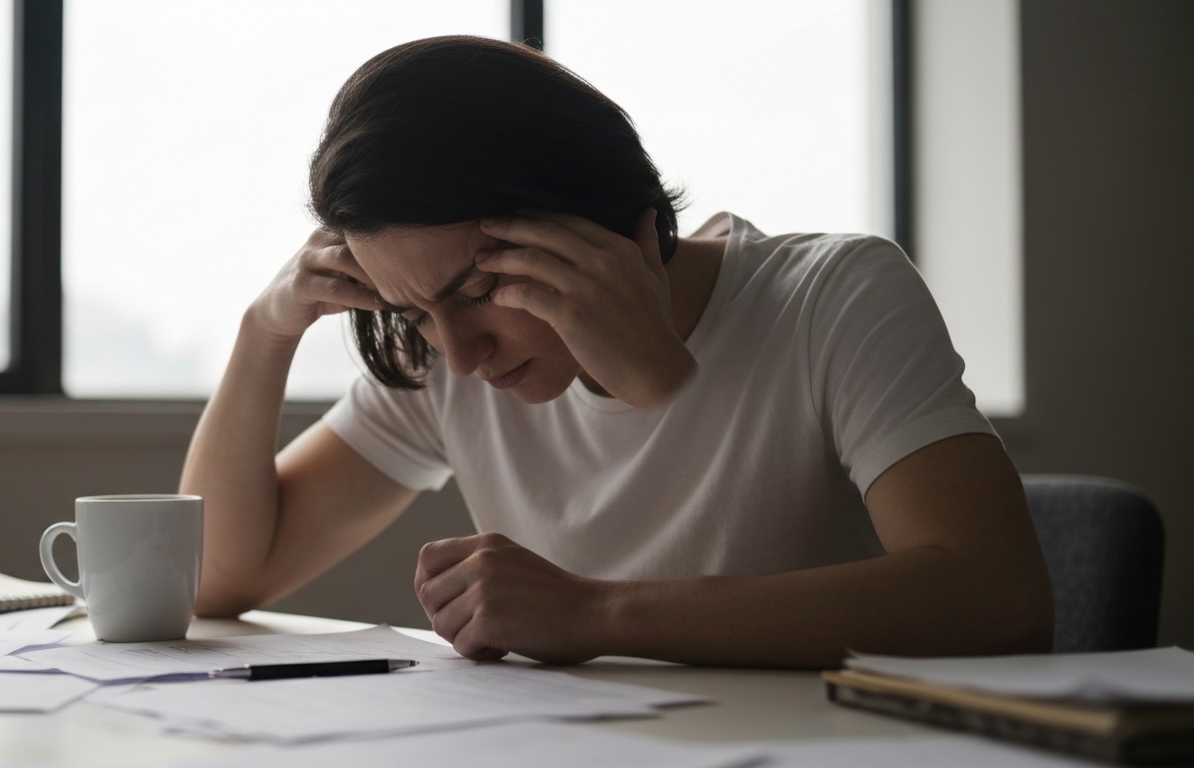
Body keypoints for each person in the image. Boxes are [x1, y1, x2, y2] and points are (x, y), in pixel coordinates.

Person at [180, 35, 1053, 667]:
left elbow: (995, 597)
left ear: (628, 230)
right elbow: (213, 578)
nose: (464, 355)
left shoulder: (831, 297)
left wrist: (597, 614)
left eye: (483, 291)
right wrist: (266, 333)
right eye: (413, 315)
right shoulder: (445, 352)